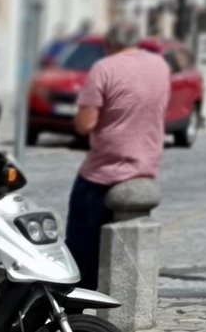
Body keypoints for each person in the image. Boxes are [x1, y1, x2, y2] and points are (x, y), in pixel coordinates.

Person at [64, 21, 169, 288]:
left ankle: (76, 297)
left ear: (108, 44)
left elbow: (85, 124)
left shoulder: (104, 68)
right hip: (145, 166)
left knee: (81, 244)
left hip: (105, 171)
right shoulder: (159, 66)